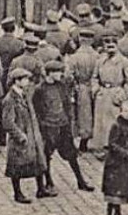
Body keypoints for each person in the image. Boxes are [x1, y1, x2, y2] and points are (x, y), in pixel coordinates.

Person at [33, 60, 92, 192]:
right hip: (49, 128)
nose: (61, 74)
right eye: (58, 72)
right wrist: (43, 128)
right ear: (49, 73)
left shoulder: (61, 85)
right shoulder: (40, 90)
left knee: (71, 155)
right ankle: (48, 181)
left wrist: (68, 122)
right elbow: (37, 111)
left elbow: (66, 104)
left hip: (63, 126)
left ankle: (80, 181)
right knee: (46, 155)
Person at [2, 66, 48, 204]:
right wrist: (20, 136)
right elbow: (7, 122)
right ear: (17, 81)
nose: (28, 81)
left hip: (31, 133)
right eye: (25, 79)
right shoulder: (10, 99)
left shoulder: (25, 94)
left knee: (38, 160)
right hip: (21, 138)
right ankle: (17, 193)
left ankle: (41, 188)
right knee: (16, 166)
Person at [101, 100, 128, 215]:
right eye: (125, 111)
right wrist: (126, 153)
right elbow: (112, 144)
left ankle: (117, 214)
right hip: (115, 163)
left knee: (122, 189)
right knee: (113, 192)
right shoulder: (116, 126)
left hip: (126, 164)